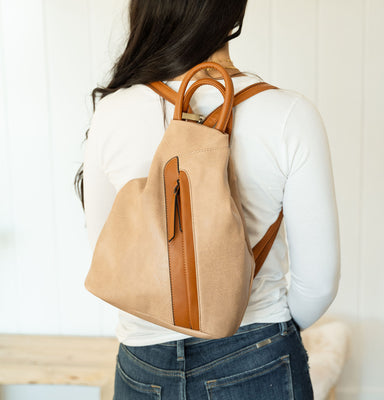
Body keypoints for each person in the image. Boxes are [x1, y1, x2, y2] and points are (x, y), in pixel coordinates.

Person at [75, 0, 341, 398]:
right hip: (256, 352)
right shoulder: (289, 115)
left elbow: (106, 247)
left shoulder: (112, 113)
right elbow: (318, 283)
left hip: (143, 366)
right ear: (234, 12)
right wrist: (263, 334)